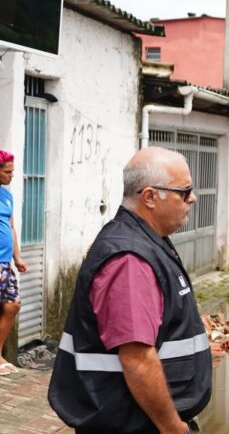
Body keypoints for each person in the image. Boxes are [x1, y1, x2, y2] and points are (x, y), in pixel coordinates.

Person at [49, 147, 211, 434]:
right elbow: (137, 358)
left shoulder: (146, 240)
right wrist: (172, 427)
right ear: (149, 196)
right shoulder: (129, 258)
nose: (193, 198)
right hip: (134, 423)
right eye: (184, 192)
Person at [0, 150, 27, 376]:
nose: (12, 175)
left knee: (12, 305)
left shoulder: (7, 196)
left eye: (13, 171)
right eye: (8, 171)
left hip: (5, 264)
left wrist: (17, 257)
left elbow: (11, 227)